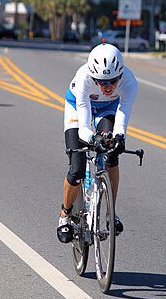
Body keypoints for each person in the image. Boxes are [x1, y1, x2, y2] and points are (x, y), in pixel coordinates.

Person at [57, 43, 138, 243]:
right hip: (78, 106)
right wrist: (94, 139)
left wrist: (119, 137)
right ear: (93, 77)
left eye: (113, 81)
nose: (108, 87)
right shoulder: (83, 78)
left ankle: (111, 213)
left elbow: (122, 116)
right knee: (77, 167)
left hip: (107, 108)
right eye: (101, 82)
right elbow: (84, 127)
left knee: (112, 154)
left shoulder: (130, 82)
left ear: (120, 75)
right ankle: (65, 216)